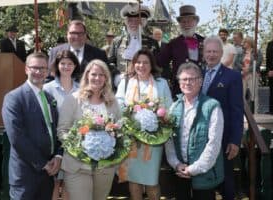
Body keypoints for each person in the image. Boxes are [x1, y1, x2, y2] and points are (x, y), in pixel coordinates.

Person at [1, 52, 63, 200]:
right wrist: (43, 164)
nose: (38, 72)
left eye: (43, 68)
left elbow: (56, 132)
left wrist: (58, 156)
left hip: (48, 175)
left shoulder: (49, 98)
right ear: (26, 69)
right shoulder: (14, 98)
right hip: (25, 174)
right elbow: (17, 138)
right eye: (34, 67)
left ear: (47, 71)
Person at [57, 59, 121, 200]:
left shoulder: (112, 102)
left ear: (106, 78)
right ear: (87, 76)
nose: (97, 78)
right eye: (93, 74)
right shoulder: (73, 99)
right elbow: (62, 130)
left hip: (105, 167)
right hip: (77, 165)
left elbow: (120, 131)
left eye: (101, 75)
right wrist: (79, 148)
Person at [116, 49, 172, 200]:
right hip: (132, 139)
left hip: (153, 140)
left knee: (151, 181)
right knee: (134, 180)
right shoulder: (126, 82)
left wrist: (159, 116)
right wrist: (130, 115)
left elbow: (168, 108)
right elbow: (118, 106)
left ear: (151, 64)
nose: (142, 65)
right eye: (138, 62)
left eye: (145, 62)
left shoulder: (161, 83)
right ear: (134, 64)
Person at [165, 62, 224, 200]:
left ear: (200, 81)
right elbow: (168, 140)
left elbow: (214, 144)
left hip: (205, 174)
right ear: (179, 82)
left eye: (192, 79)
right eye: (184, 79)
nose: (188, 82)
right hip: (180, 171)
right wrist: (176, 164)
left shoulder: (212, 106)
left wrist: (194, 169)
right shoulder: (174, 107)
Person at [202, 35, 244, 200]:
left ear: (221, 53)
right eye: (208, 51)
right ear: (203, 53)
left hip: (224, 136)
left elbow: (236, 110)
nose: (211, 55)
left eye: (215, 51)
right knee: (205, 178)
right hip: (202, 136)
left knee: (226, 177)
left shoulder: (232, 76)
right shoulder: (197, 73)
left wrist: (235, 140)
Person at [43, 50, 79, 200]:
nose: (66, 66)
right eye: (62, 63)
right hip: (54, 143)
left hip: (75, 142)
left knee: (69, 183)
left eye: (70, 63)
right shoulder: (47, 89)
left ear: (75, 66)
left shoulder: (81, 89)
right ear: (57, 66)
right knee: (55, 182)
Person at [157, 5, 204, 97]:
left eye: (189, 21)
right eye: (183, 22)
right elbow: (160, 61)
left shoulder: (204, 41)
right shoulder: (173, 43)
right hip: (180, 88)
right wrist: (173, 76)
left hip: (200, 87)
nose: (186, 24)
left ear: (195, 22)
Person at [109, 3, 159, 88]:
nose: (133, 24)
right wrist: (116, 76)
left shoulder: (152, 43)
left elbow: (157, 65)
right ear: (126, 22)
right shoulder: (117, 41)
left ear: (142, 23)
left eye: (137, 21)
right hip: (123, 84)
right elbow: (110, 63)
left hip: (146, 85)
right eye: (130, 20)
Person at [236, 36, 263, 112]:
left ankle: (255, 112)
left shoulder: (257, 52)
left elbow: (259, 62)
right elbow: (237, 62)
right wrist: (243, 69)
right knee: (241, 94)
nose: (243, 43)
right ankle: (241, 111)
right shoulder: (241, 52)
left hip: (253, 75)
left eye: (245, 42)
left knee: (254, 94)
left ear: (250, 43)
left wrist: (249, 69)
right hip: (242, 75)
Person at [266, 30, 273, 115]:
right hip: (271, 72)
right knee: (272, 91)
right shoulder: (270, 44)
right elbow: (268, 59)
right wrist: (269, 71)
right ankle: (272, 109)